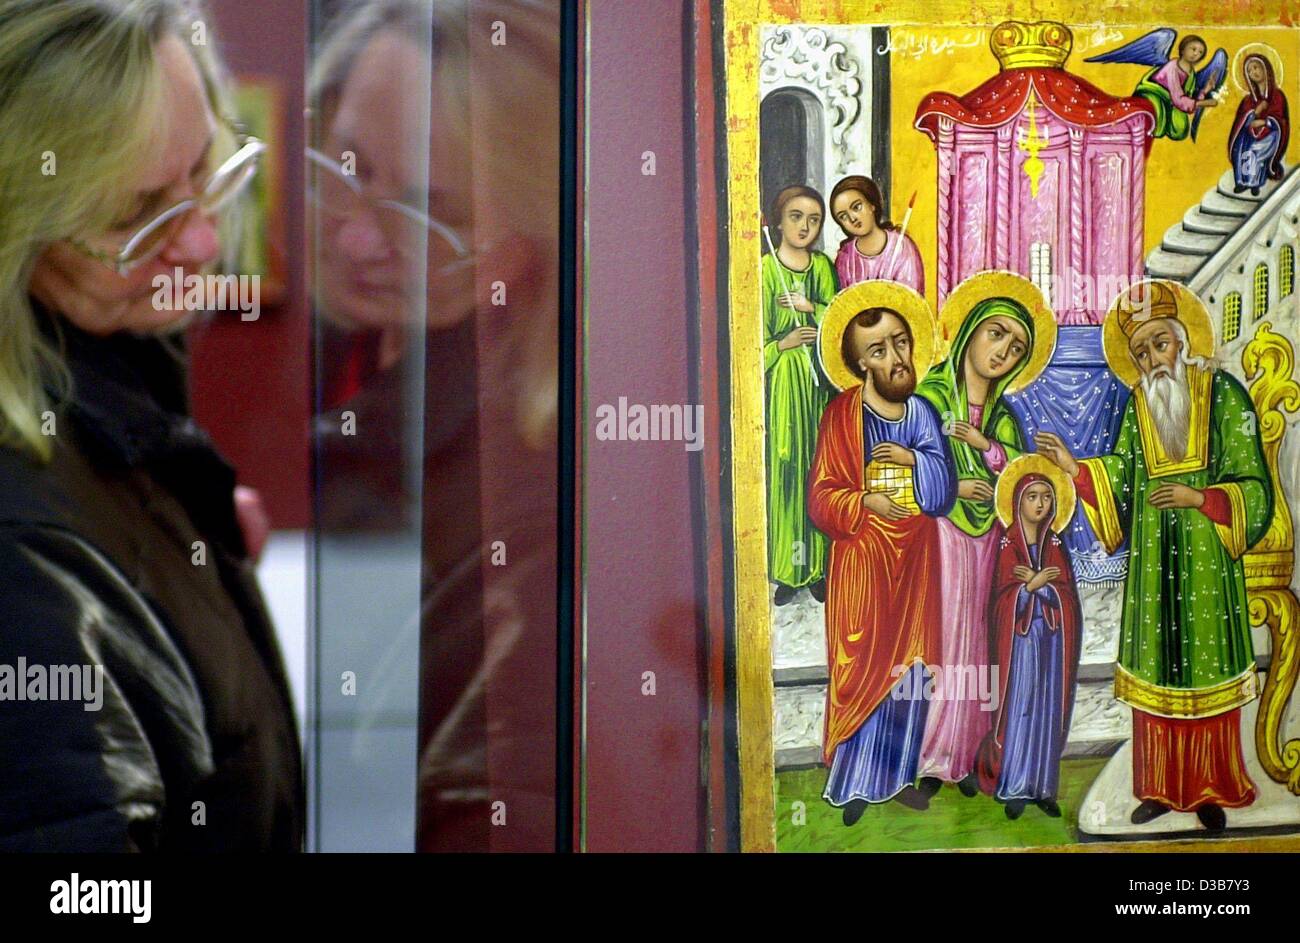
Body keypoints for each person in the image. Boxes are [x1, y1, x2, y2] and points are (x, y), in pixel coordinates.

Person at [0, 0, 301, 850]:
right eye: (138, 217)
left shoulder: (113, 378)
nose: (205, 241)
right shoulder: (23, 555)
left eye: (208, 165)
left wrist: (173, 564)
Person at [1036, 281, 1272, 833]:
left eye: (1159, 344)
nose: (1152, 359)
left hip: (1208, 557)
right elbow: (1122, 473)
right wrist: (1077, 469)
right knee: (1158, 671)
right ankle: (1161, 789)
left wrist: (1202, 498)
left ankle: (1213, 788)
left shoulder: (1222, 394)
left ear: (1181, 340)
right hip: (1153, 563)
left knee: (1204, 667)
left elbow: (1253, 481)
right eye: (1140, 353)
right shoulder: (1138, 406)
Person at [809, 283, 955, 824]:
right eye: (878, 350)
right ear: (860, 364)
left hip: (914, 563)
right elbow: (821, 501)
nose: (895, 358)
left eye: (899, 343)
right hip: (863, 565)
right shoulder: (841, 418)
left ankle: (895, 779)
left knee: (909, 673)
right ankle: (851, 786)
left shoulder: (921, 413)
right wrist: (864, 498)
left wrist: (916, 460)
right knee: (860, 669)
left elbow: (940, 496)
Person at [914, 278, 1046, 797]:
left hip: (987, 538)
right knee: (943, 641)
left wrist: (987, 450)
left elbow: (1020, 478)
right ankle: (930, 757)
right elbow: (906, 466)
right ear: (969, 332)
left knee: (978, 643)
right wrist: (948, 489)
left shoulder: (1005, 418)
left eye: (1015, 348)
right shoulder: (928, 397)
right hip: (938, 535)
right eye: (996, 334)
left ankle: (968, 756)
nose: (1002, 352)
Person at [977, 458, 1082, 820]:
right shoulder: (1007, 544)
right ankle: (1015, 787)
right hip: (1019, 645)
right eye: (1033, 497)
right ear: (1017, 501)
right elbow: (1000, 601)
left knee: (1046, 713)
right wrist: (1030, 588)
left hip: (1051, 641)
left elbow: (1068, 599)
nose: (1041, 505)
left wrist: (1044, 588)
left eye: (1047, 498)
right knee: (1020, 710)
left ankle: (1043, 788)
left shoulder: (1055, 543)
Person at [762, 185, 836, 606]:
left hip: (817, 384)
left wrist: (814, 309)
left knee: (818, 469)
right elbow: (751, 345)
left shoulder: (822, 268)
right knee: (788, 469)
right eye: (796, 217)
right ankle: (790, 571)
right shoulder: (767, 270)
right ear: (778, 220)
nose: (805, 227)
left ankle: (819, 568)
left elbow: (842, 320)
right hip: (785, 387)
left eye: (813, 220)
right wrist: (784, 343)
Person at [828, 176, 924, 293]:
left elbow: (911, 299)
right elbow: (843, 304)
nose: (852, 218)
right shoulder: (846, 257)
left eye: (857, 207)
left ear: (871, 204)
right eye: (843, 216)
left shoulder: (902, 247)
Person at [1135, 34, 1220, 141]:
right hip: (1155, 94)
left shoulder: (1191, 73)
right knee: (1157, 125)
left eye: (1200, 52)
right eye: (1193, 49)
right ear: (1183, 49)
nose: (1196, 54)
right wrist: (1204, 103)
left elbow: (1187, 97)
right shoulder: (1173, 67)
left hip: (1172, 101)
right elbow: (1178, 98)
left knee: (1180, 130)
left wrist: (1205, 90)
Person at [1228, 53, 1289, 196]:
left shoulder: (1277, 95)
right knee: (1242, 145)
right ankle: (1242, 182)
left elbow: (1281, 121)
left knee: (1257, 148)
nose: (1253, 72)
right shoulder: (1248, 100)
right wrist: (1255, 112)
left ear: (1265, 69)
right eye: (1249, 71)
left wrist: (1264, 122)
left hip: (1271, 133)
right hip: (1251, 132)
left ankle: (1255, 183)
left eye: (1255, 68)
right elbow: (1240, 122)